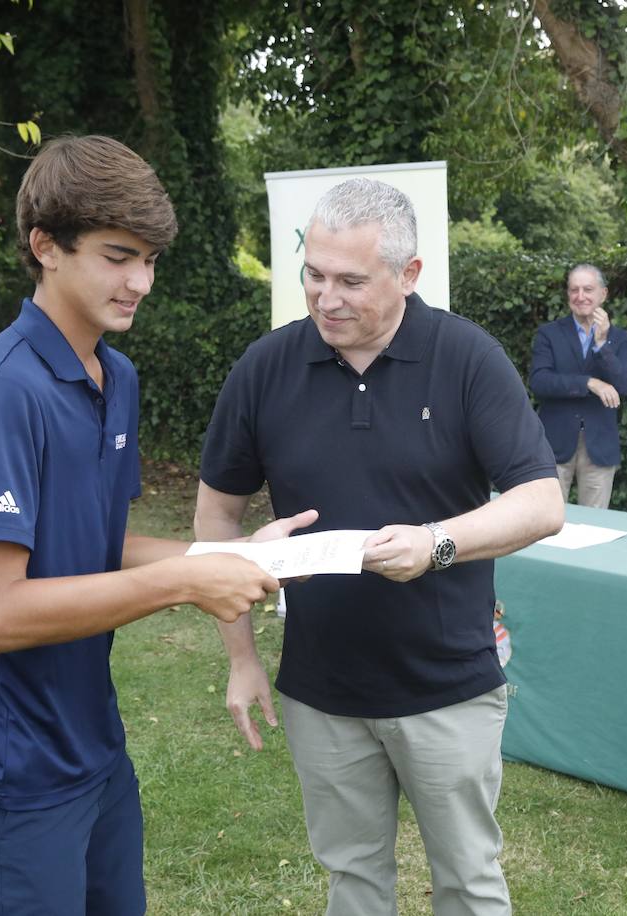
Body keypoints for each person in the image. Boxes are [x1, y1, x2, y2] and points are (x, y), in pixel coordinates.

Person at [0, 135, 313, 916]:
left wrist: (221, 553)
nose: (141, 282)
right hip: (5, 768)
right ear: (45, 248)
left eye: (151, 260)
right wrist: (181, 582)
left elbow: (89, 546)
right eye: (117, 256)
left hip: (91, 744)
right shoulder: (1, 392)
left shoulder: (115, 376)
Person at [195, 177, 564, 915]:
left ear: (409, 275)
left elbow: (543, 501)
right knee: (354, 883)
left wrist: (439, 542)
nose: (326, 297)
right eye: (314, 274)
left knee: (468, 882)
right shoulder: (266, 367)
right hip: (320, 693)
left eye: (351, 280)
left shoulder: (464, 357)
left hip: (447, 687)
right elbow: (214, 523)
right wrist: (242, 658)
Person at [529, 264, 627, 509]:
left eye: (588, 289)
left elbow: (624, 386)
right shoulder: (549, 334)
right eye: (574, 290)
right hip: (555, 443)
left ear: (603, 294)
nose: (580, 296)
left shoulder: (619, 339)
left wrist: (601, 345)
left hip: (600, 445)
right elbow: (539, 382)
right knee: (547, 520)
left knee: (595, 526)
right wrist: (589, 382)